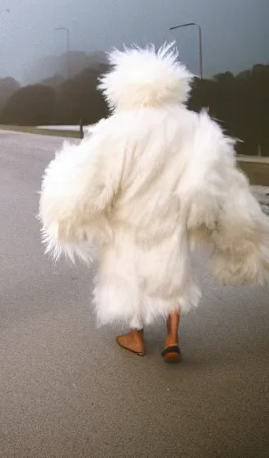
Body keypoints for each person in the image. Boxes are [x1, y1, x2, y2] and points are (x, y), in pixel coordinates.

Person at [38, 42, 269, 363]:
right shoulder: (192, 126)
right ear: (173, 84)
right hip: (172, 214)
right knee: (173, 272)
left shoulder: (116, 129)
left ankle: (137, 335)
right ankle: (172, 337)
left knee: (131, 273)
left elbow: (90, 176)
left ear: (123, 87)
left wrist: (65, 210)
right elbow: (218, 174)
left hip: (129, 219)